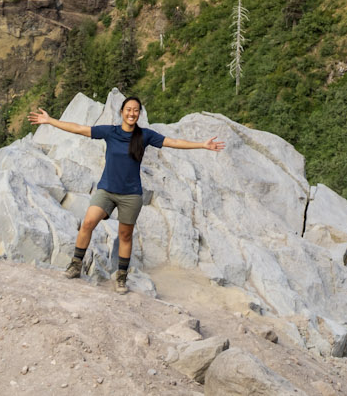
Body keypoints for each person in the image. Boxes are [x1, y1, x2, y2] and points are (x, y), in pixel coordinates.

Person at [27, 97, 223, 292]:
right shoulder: (110, 132)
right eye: (128, 109)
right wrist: (49, 121)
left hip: (130, 195)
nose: (131, 113)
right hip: (106, 190)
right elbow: (79, 128)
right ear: (122, 112)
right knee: (87, 223)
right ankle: (76, 265)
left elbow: (173, 142)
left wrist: (202, 145)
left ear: (139, 114)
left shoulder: (145, 136)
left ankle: (121, 277)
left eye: (136, 110)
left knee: (125, 235)